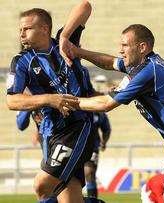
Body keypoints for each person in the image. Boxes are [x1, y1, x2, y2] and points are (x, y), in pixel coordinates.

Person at [59, 24, 164, 203]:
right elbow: (110, 62)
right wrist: (78, 52)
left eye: (125, 45)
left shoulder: (148, 72)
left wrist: (64, 101)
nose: (120, 50)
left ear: (142, 47)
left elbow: (106, 104)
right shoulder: (144, 65)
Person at [6, 1, 105, 203]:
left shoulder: (64, 43)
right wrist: (49, 99)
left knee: (42, 187)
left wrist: (66, 37)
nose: (22, 33)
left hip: (77, 128)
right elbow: (12, 101)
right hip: (51, 133)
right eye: (20, 29)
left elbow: (84, 6)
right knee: (70, 200)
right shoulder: (22, 61)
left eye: (27, 28)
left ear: (44, 28)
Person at [85, 112, 111, 198]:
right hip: (72, 146)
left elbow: (106, 129)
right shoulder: (75, 109)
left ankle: (92, 198)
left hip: (92, 148)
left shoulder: (99, 113)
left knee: (89, 172)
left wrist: (103, 142)